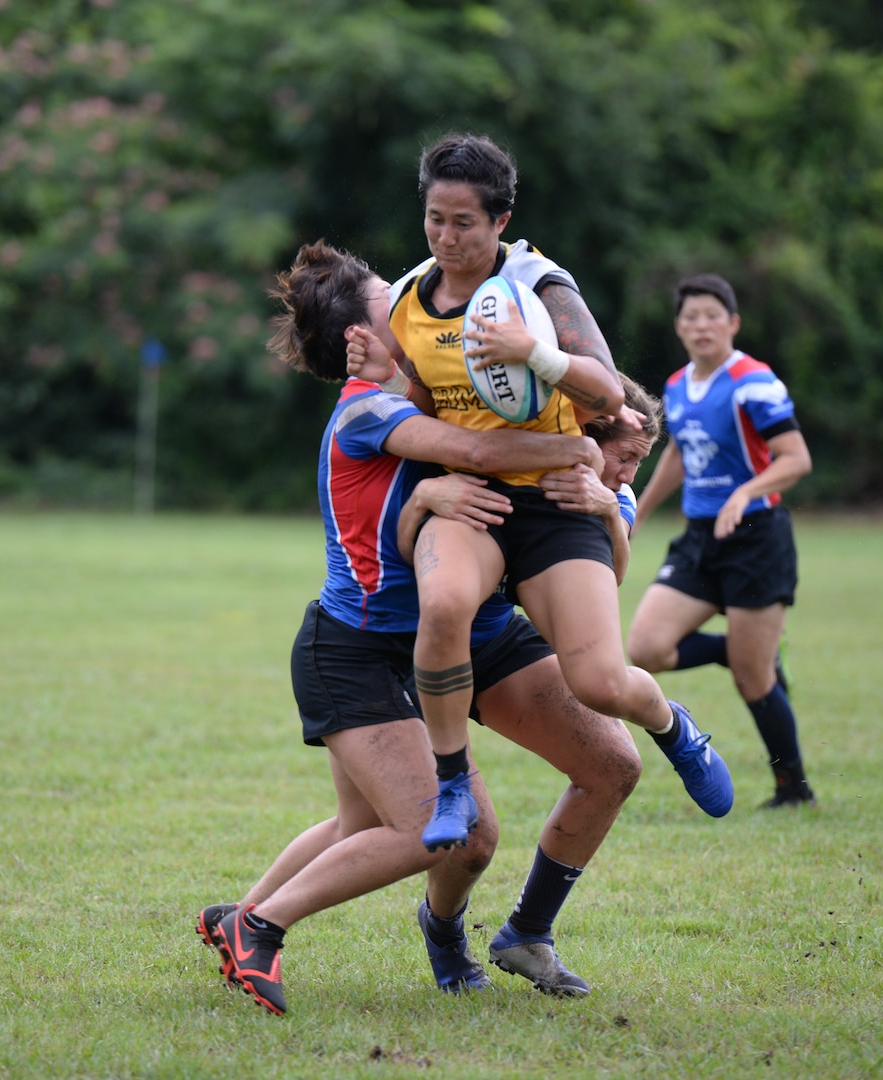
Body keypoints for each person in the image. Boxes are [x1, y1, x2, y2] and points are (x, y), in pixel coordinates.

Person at [197, 241, 645, 1015]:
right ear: (362, 340)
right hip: (361, 649)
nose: (416, 300)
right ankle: (260, 927)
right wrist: (576, 448)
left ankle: (237, 918)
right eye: (389, 298)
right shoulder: (372, 407)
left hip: (468, 631)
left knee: (377, 821)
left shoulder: (431, 381)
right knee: (450, 830)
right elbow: (474, 448)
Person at [372, 133, 732, 851]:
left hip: (554, 497)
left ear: (501, 221)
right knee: (443, 605)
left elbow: (604, 387)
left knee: (599, 681)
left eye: (464, 222)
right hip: (471, 496)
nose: (446, 237)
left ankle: (673, 725)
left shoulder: (541, 286)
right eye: (435, 218)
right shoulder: (408, 302)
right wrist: (426, 475)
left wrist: (530, 353)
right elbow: (413, 406)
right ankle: (450, 782)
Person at [625, 273, 815, 808]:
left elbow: (796, 459)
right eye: (690, 317)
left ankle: (793, 788)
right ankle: (735, 653)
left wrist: (746, 492)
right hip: (701, 539)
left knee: (755, 680)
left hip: (757, 537)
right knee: (645, 648)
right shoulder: (679, 386)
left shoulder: (754, 381)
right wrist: (637, 508)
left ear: (732, 323)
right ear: (679, 328)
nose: (701, 325)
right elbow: (681, 454)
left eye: (712, 316)